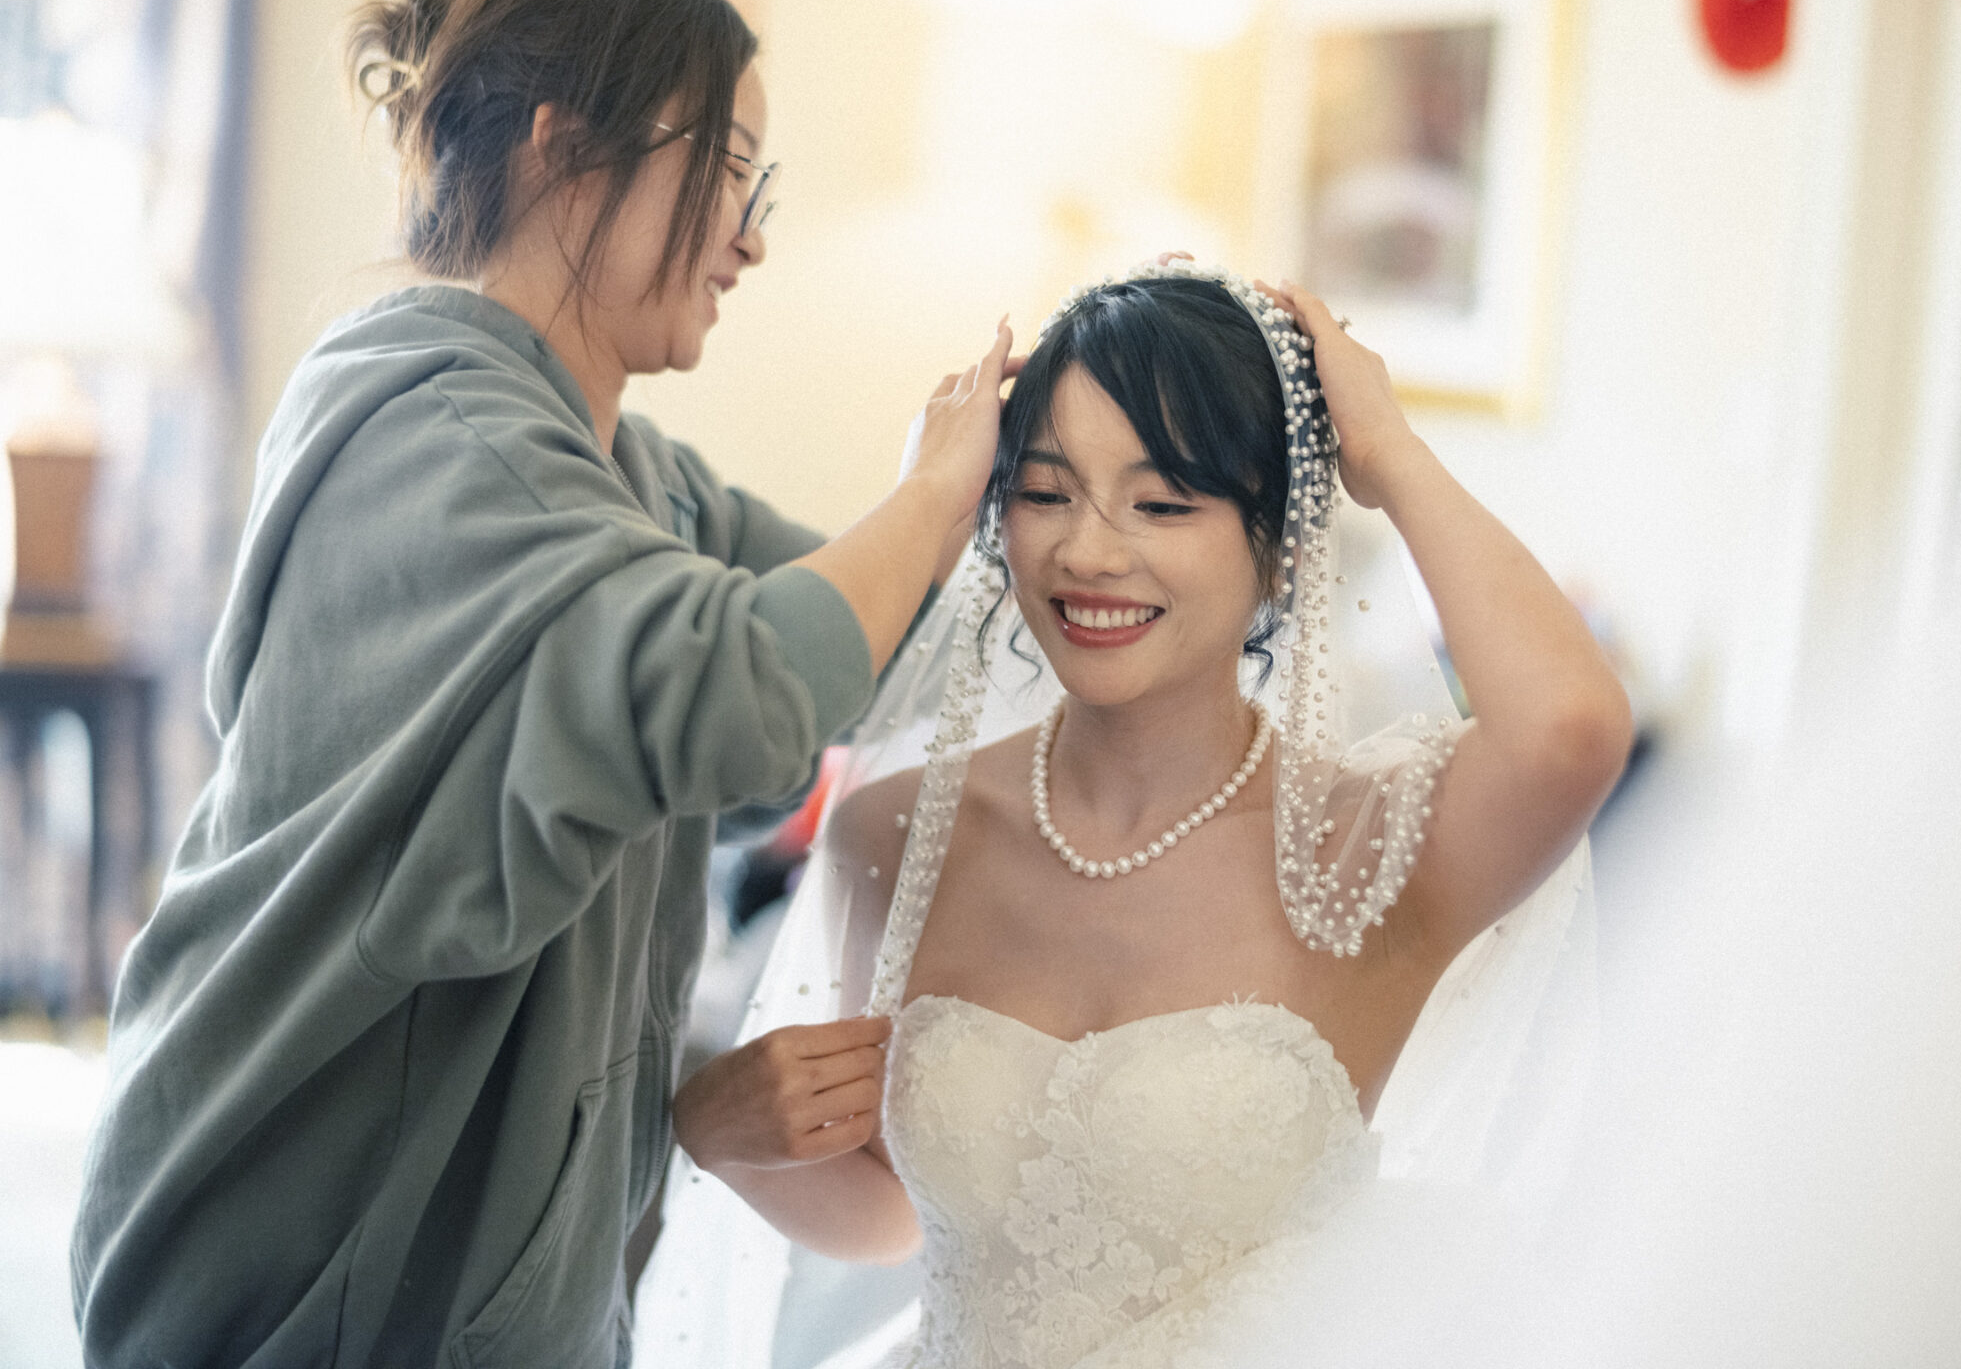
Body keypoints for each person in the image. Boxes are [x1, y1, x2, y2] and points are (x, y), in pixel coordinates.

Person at [69, 0, 1010, 1369]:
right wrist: (931, 492)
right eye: (733, 171)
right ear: (563, 153)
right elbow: (739, 688)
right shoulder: (439, 438)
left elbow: (878, 652)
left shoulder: (632, 475)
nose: (751, 238)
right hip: (299, 1277)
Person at [634, 261, 1630, 1368]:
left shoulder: (1365, 849)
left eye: (1163, 502)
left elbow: (1568, 729)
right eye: (1047, 492)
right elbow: (894, 1208)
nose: (1089, 551)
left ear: (1279, 546)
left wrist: (1386, 449)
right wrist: (716, 1130)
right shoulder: (898, 831)